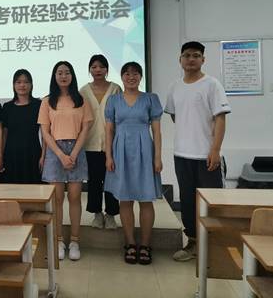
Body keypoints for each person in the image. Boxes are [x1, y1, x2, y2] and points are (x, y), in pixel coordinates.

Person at [165, 41, 231, 261]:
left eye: (195, 55)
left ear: (203, 59)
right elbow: (175, 115)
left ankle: (214, 246)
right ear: (180, 60)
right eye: (186, 55)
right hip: (182, 155)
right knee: (187, 201)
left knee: (211, 201)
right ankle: (193, 242)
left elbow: (220, 119)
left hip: (206, 155)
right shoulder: (175, 87)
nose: (191, 59)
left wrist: (215, 149)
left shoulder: (212, 85)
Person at [104, 62, 163, 265]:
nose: (131, 77)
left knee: (146, 200)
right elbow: (109, 130)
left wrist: (157, 157)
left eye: (135, 73)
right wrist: (108, 156)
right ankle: (130, 243)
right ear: (121, 77)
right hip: (120, 151)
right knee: (125, 200)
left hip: (145, 150)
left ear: (141, 77)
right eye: (127, 74)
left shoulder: (150, 99)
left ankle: (145, 244)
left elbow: (157, 131)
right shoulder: (113, 100)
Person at [38, 61, 93, 261]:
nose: (63, 76)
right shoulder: (47, 101)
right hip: (55, 152)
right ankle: (59, 240)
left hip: (76, 149)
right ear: (54, 76)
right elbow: (45, 132)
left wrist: (74, 153)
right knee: (57, 199)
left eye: (67, 72)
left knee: (75, 197)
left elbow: (86, 128)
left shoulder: (81, 99)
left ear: (72, 76)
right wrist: (61, 155)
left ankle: (75, 241)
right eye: (60, 73)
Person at [79, 54, 121, 230]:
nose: (98, 70)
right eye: (94, 67)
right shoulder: (83, 91)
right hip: (90, 143)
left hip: (112, 143)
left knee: (112, 181)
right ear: (89, 69)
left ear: (107, 69)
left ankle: (111, 215)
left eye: (101, 67)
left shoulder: (115, 89)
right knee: (94, 181)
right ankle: (97, 214)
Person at [1, 69, 45, 184]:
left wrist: (44, 155)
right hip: (12, 154)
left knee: (34, 189)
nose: (22, 85)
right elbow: (4, 134)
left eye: (26, 82)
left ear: (31, 85)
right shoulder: (7, 107)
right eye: (18, 82)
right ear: (13, 85)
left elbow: (45, 133)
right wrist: (1, 155)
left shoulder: (39, 105)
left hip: (33, 153)